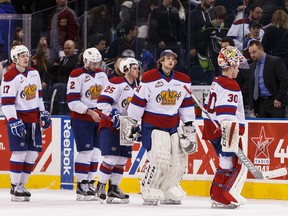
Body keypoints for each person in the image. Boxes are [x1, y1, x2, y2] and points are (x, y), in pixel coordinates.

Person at [127, 49, 197, 205]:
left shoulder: (183, 80)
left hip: (172, 125)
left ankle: (168, 187)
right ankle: (149, 186)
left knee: (176, 159)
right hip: (152, 124)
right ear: (160, 61)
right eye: (167, 58)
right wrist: (132, 121)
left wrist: (188, 124)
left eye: (172, 59)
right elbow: (138, 101)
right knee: (158, 158)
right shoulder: (149, 77)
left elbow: (186, 103)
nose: (170, 61)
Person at [0, 45, 52, 202]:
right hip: (19, 119)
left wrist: (43, 112)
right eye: (22, 55)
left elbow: (39, 96)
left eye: (27, 55)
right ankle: (14, 186)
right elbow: (7, 103)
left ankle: (21, 185)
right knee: (19, 153)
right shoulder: (10, 76)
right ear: (15, 58)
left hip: (34, 120)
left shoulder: (34, 73)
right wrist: (13, 120)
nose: (26, 57)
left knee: (32, 154)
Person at [202, 45, 248, 208]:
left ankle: (218, 194)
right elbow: (226, 114)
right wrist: (230, 131)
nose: (238, 70)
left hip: (214, 129)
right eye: (237, 65)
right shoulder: (230, 85)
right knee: (229, 162)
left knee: (226, 161)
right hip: (225, 129)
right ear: (232, 65)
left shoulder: (217, 81)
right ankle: (219, 195)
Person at [95, 57, 140, 204]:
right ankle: (100, 186)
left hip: (127, 126)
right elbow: (102, 101)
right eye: (134, 68)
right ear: (126, 69)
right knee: (111, 158)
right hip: (111, 126)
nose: (137, 70)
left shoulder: (138, 86)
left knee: (122, 160)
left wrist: (138, 124)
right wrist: (112, 114)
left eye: (137, 67)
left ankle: (113, 188)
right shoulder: (116, 82)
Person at [66, 47, 108, 201]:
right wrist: (90, 112)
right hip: (81, 118)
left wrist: (104, 112)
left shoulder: (102, 75)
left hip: (98, 117)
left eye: (97, 62)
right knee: (85, 151)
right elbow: (72, 101)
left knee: (96, 152)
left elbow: (106, 96)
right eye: (92, 62)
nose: (95, 65)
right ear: (85, 60)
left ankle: (90, 182)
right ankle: (81, 185)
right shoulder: (76, 74)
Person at [248, 40, 288, 118]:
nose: (252, 55)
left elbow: (285, 80)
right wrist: (252, 106)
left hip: (275, 102)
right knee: (261, 129)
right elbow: (252, 87)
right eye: (250, 53)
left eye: (254, 52)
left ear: (261, 50)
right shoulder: (252, 67)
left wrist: (278, 98)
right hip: (260, 104)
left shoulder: (275, 61)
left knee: (276, 130)